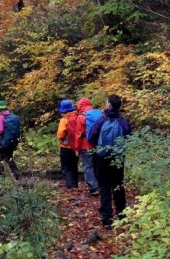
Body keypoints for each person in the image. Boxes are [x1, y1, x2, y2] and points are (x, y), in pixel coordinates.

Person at [87, 94, 132, 229]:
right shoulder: (123, 122)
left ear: (109, 105)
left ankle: (107, 219)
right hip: (118, 159)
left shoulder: (101, 121)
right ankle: (122, 215)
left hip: (102, 158)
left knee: (105, 187)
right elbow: (130, 138)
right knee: (118, 186)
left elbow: (91, 138)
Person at [75, 97, 100, 195]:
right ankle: (101, 185)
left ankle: (93, 188)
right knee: (96, 165)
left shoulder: (81, 117)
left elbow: (78, 135)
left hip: (85, 145)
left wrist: (77, 149)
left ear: (80, 106)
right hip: (97, 144)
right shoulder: (98, 114)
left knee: (88, 166)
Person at [0, 100, 21, 179]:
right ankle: (12, 173)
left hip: (5, 142)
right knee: (7, 156)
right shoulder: (14, 117)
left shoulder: (1, 118)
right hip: (14, 141)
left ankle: (2, 173)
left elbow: (0, 130)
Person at [56, 99, 79, 189]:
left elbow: (61, 134)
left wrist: (59, 137)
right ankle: (75, 185)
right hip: (76, 147)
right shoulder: (78, 117)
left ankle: (71, 186)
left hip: (65, 147)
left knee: (66, 167)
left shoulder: (64, 120)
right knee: (74, 166)